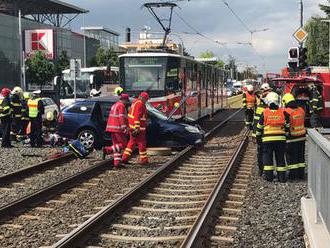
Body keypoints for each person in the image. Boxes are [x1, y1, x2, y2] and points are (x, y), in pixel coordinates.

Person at [256, 92, 290, 183]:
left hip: (267, 140)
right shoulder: (283, 112)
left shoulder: (265, 112)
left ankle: (269, 177)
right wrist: (285, 134)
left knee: (267, 158)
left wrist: (258, 138)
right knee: (280, 158)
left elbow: (259, 127)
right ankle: (282, 178)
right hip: (280, 140)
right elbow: (287, 126)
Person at [282, 93, 306, 180]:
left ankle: (293, 175)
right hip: (302, 137)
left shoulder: (286, 112)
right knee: (301, 157)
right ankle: (301, 174)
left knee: (292, 157)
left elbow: (286, 125)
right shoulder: (301, 110)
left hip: (291, 138)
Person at [103, 93, 130, 168]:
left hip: (111, 128)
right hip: (118, 128)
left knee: (116, 145)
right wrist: (125, 127)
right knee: (123, 145)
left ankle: (117, 163)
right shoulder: (121, 106)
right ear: (124, 100)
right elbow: (121, 117)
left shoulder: (115, 105)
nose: (127, 103)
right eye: (127, 101)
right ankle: (107, 150)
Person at [122, 92, 149, 165]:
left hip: (132, 127)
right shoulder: (140, 104)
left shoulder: (135, 102)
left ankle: (124, 157)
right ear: (143, 98)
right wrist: (137, 127)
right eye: (146, 99)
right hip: (138, 128)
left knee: (131, 143)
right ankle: (144, 159)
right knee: (141, 143)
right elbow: (137, 116)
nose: (146, 101)